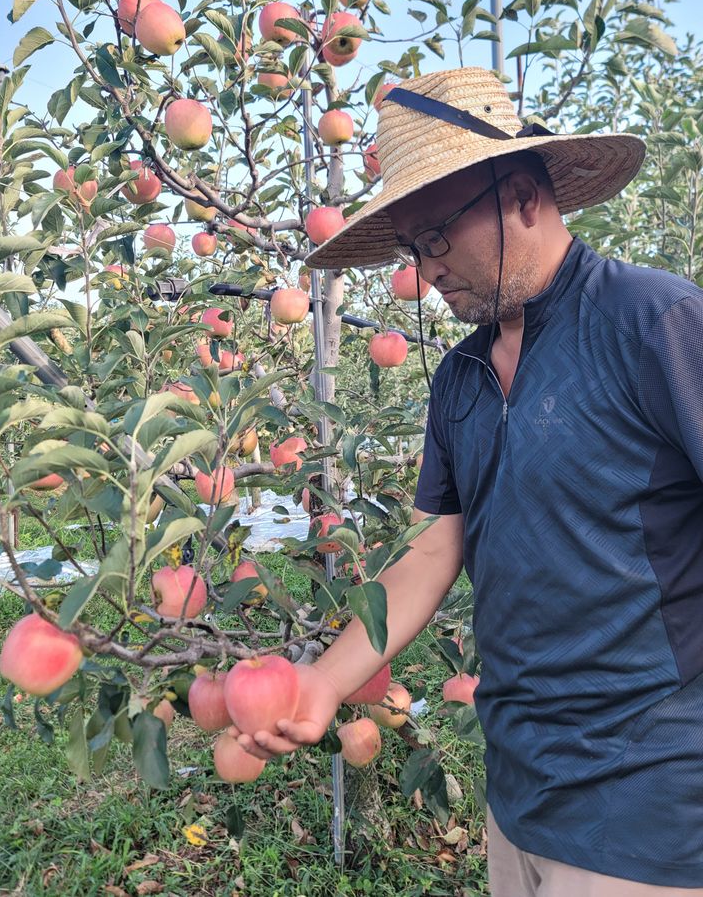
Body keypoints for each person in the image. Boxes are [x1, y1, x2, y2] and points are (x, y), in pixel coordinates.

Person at [230, 67, 703, 895]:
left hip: (648, 803)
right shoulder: (459, 378)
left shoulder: (653, 324)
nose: (425, 269)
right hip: (518, 791)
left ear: (521, 195)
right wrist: (323, 681)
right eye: (411, 248)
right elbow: (429, 551)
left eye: (437, 238)